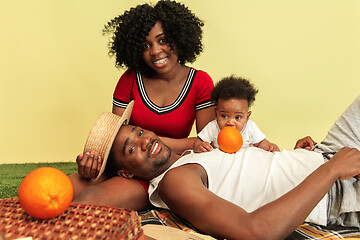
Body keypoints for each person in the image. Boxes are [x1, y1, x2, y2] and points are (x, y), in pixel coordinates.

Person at [77, 95, 360, 240]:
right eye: (130, 148)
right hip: (337, 190)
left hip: (325, 153)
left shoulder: (196, 150)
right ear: (126, 172)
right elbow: (255, 231)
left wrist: (296, 156)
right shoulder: (174, 182)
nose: (144, 140)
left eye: (138, 132)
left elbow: (252, 169)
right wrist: (331, 170)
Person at [70, 0, 215, 210]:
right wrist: (93, 163)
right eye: (146, 46)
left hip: (168, 170)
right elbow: (116, 140)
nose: (155, 51)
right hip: (130, 165)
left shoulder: (200, 82)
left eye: (163, 40)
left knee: (91, 200)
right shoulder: (129, 80)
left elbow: (205, 144)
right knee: (62, 187)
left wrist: (155, 142)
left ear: (179, 37)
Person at [193, 75, 280, 153]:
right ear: (216, 114)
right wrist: (200, 146)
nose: (230, 122)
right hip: (220, 161)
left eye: (237, 117)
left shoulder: (250, 127)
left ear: (247, 117)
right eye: (224, 116)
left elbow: (261, 142)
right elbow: (198, 141)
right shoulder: (212, 127)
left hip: (243, 162)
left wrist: (268, 146)